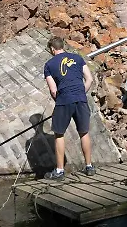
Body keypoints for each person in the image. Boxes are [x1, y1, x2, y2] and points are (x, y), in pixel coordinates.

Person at [42, 36, 96, 180]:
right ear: (63, 46)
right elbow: (89, 79)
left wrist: (60, 99)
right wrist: (80, 93)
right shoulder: (78, 58)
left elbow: (53, 90)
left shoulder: (48, 65)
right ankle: (89, 166)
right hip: (80, 99)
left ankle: (59, 171)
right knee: (84, 132)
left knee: (59, 134)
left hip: (64, 101)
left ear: (52, 49)